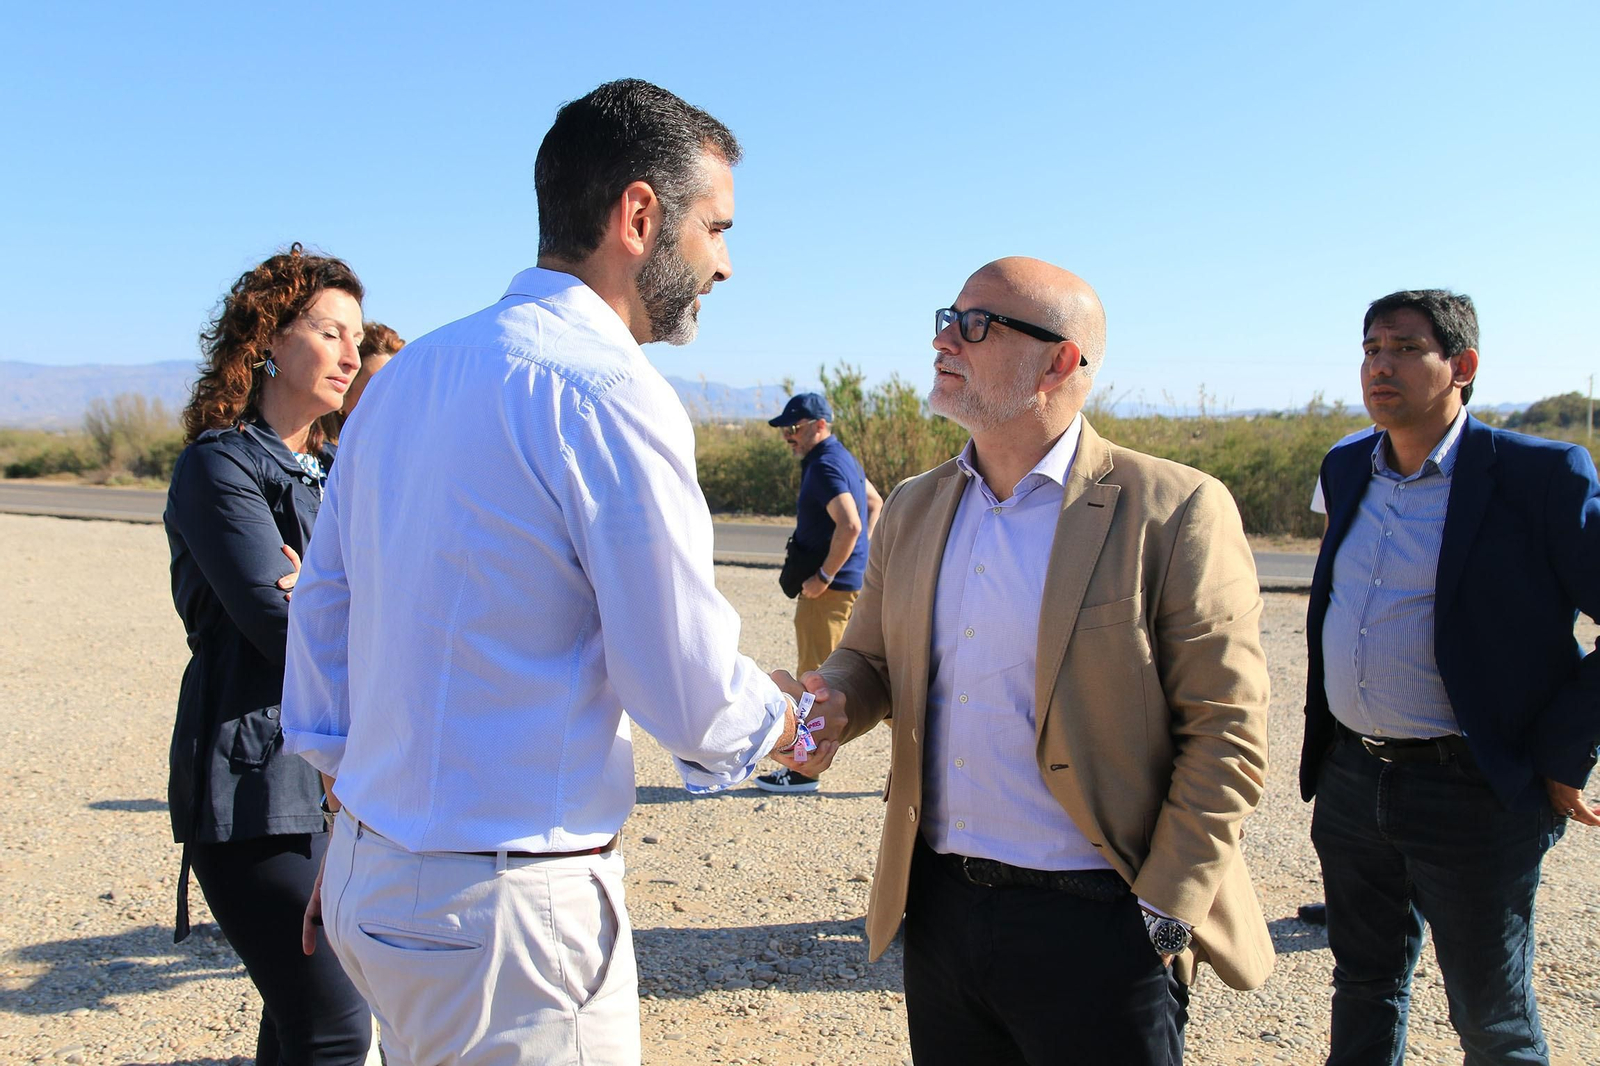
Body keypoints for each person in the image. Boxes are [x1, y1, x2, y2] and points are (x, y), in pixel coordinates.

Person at [280, 79, 834, 1066]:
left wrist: (360, 810)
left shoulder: (408, 375)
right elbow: (678, 677)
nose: (725, 264)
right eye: (716, 228)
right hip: (504, 917)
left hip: (378, 878)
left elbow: (325, 604)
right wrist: (790, 723)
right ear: (638, 215)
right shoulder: (609, 388)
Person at [782, 257, 1274, 1064]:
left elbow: (1226, 736)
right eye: (948, 316)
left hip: (1100, 923)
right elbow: (868, 660)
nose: (946, 338)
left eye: (977, 324)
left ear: (1061, 361)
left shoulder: (1174, 509)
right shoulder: (915, 505)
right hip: (942, 909)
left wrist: (1163, 911)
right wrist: (830, 700)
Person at [1301, 289, 1600, 1065]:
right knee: (1363, 984)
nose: (1379, 366)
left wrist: (1564, 755)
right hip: (1352, 780)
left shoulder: (1539, 475)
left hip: (1473, 790)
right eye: (1370, 349)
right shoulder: (1345, 467)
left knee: (1491, 1017)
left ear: (1462, 366)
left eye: (1403, 348)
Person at [163, 244, 372, 1065]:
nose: (352, 353)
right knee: (337, 1027)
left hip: (336, 790)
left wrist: (320, 590)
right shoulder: (218, 466)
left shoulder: (331, 473)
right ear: (268, 341)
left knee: (297, 1027)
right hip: (252, 792)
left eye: (357, 333)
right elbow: (282, 628)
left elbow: (379, 609)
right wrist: (339, 599)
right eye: (330, 330)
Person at [757, 391, 882, 794]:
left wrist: (825, 575)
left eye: (794, 428)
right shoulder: (841, 459)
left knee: (816, 685)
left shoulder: (825, 465)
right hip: (852, 586)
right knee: (853, 680)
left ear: (820, 426)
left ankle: (803, 772)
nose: (787, 437)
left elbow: (850, 524)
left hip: (829, 592)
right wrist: (864, 562)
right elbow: (874, 504)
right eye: (784, 430)